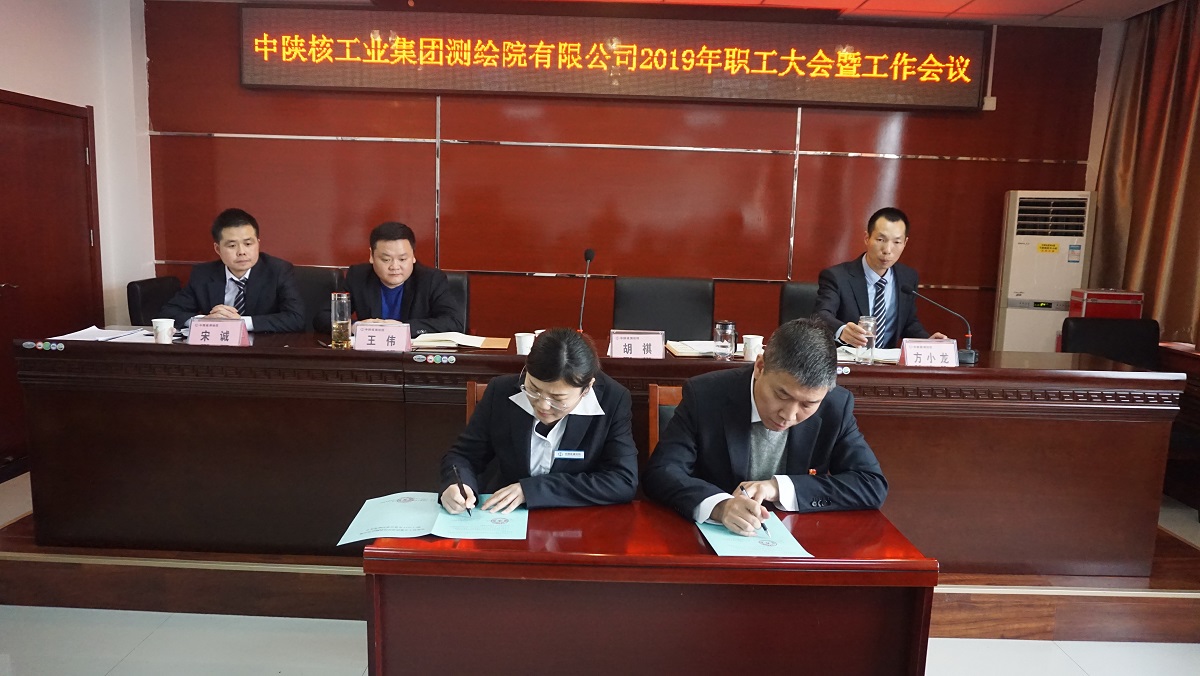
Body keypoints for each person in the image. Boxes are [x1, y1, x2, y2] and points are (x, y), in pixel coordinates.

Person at [643, 319, 887, 536]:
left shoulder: (835, 406)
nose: (788, 415)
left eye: (807, 404)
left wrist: (778, 487)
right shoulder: (706, 394)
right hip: (714, 538)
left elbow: (871, 484)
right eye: (782, 395)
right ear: (760, 366)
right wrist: (720, 506)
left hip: (797, 539)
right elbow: (662, 472)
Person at [439, 328, 638, 514]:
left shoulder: (612, 400)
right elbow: (464, 456)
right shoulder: (501, 390)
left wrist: (531, 490)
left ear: (587, 388)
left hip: (576, 519)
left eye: (558, 399)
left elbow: (622, 481)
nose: (543, 405)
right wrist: (458, 484)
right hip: (506, 517)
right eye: (533, 389)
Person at [813, 207, 946, 349]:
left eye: (896, 242)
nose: (887, 250)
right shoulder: (837, 277)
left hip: (886, 360)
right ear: (867, 238)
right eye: (881, 239)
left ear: (905, 243)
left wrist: (927, 341)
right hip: (849, 359)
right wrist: (842, 330)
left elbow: (908, 322)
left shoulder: (908, 277)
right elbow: (821, 315)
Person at [160, 208, 305, 332]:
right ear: (218, 249)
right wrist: (204, 321)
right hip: (217, 350)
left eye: (248, 244)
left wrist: (240, 322)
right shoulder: (203, 274)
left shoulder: (278, 271)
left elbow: (296, 318)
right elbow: (168, 313)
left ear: (258, 244)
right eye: (232, 246)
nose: (241, 252)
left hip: (263, 349)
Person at [314, 221, 463, 335]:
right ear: (371, 256)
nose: (394, 266)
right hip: (372, 357)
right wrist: (354, 327)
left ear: (413, 256)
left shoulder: (431, 280)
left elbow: (454, 322)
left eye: (402, 259)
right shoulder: (358, 276)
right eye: (386, 259)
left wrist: (404, 328)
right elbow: (322, 317)